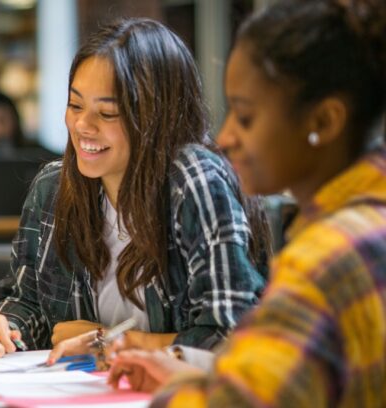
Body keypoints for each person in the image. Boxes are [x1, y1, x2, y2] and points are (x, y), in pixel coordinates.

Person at [107, 1, 386, 406]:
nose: (226, 138)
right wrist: (203, 377)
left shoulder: (325, 260)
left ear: (324, 121)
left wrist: (178, 394)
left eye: (245, 116)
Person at [0, 19, 269, 360]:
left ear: (157, 117)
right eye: (75, 105)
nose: (82, 126)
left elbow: (233, 336)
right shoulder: (53, 187)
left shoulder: (195, 182)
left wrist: (108, 341)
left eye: (107, 113)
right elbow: (27, 300)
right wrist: (4, 330)